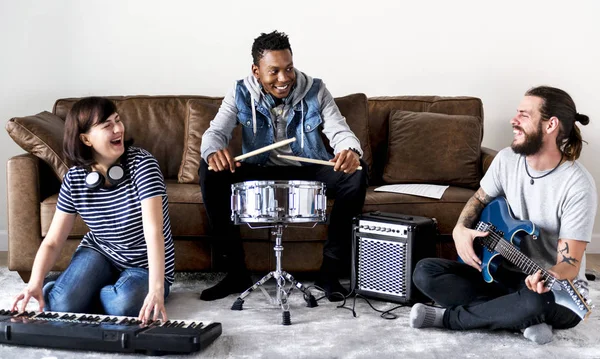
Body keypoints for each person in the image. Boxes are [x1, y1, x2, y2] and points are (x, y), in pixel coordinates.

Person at [409, 86, 597, 344]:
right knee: (425, 271)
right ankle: (517, 320)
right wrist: (460, 229)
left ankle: (449, 318)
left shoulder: (577, 185)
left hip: (553, 290)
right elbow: (478, 198)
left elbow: (569, 264)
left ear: (550, 125)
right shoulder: (507, 160)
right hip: (502, 274)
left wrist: (546, 278)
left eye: (524, 115)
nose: (513, 120)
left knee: (533, 300)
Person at [199, 30, 368, 302]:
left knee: (356, 173)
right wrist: (213, 151)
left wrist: (349, 150)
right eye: (274, 71)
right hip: (259, 168)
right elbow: (215, 132)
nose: (284, 78)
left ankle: (330, 272)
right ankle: (235, 273)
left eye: (288, 69)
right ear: (256, 70)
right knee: (210, 172)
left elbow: (340, 130)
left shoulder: (315, 89)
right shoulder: (240, 91)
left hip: (307, 168)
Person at [11, 97, 175, 322]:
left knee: (123, 306)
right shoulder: (75, 178)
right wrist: (35, 283)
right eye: (107, 125)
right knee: (61, 304)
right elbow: (52, 241)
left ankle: (86, 291)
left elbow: (153, 232)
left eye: (117, 120)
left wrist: (156, 289)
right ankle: (72, 290)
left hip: (144, 265)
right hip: (100, 254)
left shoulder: (143, 164)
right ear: (86, 139)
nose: (118, 128)